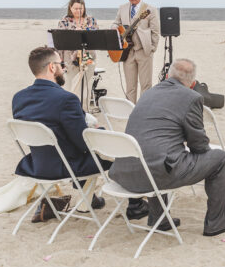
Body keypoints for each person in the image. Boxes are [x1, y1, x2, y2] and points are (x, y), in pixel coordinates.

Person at [11, 47, 148, 219]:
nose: (64, 69)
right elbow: (84, 143)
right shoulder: (65, 99)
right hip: (67, 166)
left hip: (36, 164)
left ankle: (89, 199)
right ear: (52, 67)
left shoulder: (19, 98)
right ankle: (135, 205)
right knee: (123, 151)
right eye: (61, 64)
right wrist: (98, 131)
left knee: (81, 149)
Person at [110, 58, 225, 236]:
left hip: (125, 173)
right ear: (192, 83)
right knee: (219, 158)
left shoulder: (148, 93)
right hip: (154, 175)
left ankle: (159, 219)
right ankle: (216, 224)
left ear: (168, 76)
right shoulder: (192, 97)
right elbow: (198, 145)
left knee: (159, 153)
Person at [113, 0, 160, 103]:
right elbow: (116, 23)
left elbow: (155, 31)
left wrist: (152, 48)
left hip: (144, 51)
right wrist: (115, 29)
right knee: (130, 86)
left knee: (146, 85)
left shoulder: (150, 9)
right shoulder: (122, 8)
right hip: (127, 51)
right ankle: (130, 109)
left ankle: (143, 109)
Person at [57, 0, 98, 109]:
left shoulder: (91, 20)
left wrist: (85, 31)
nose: (78, 11)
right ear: (70, 8)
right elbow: (61, 42)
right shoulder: (64, 21)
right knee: (70, 86)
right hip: (70, 59)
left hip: (88, 57)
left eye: (81, 8)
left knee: (86, 87)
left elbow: (96, 37)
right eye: (75, 8)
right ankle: (70, 110)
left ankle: (84, 110)